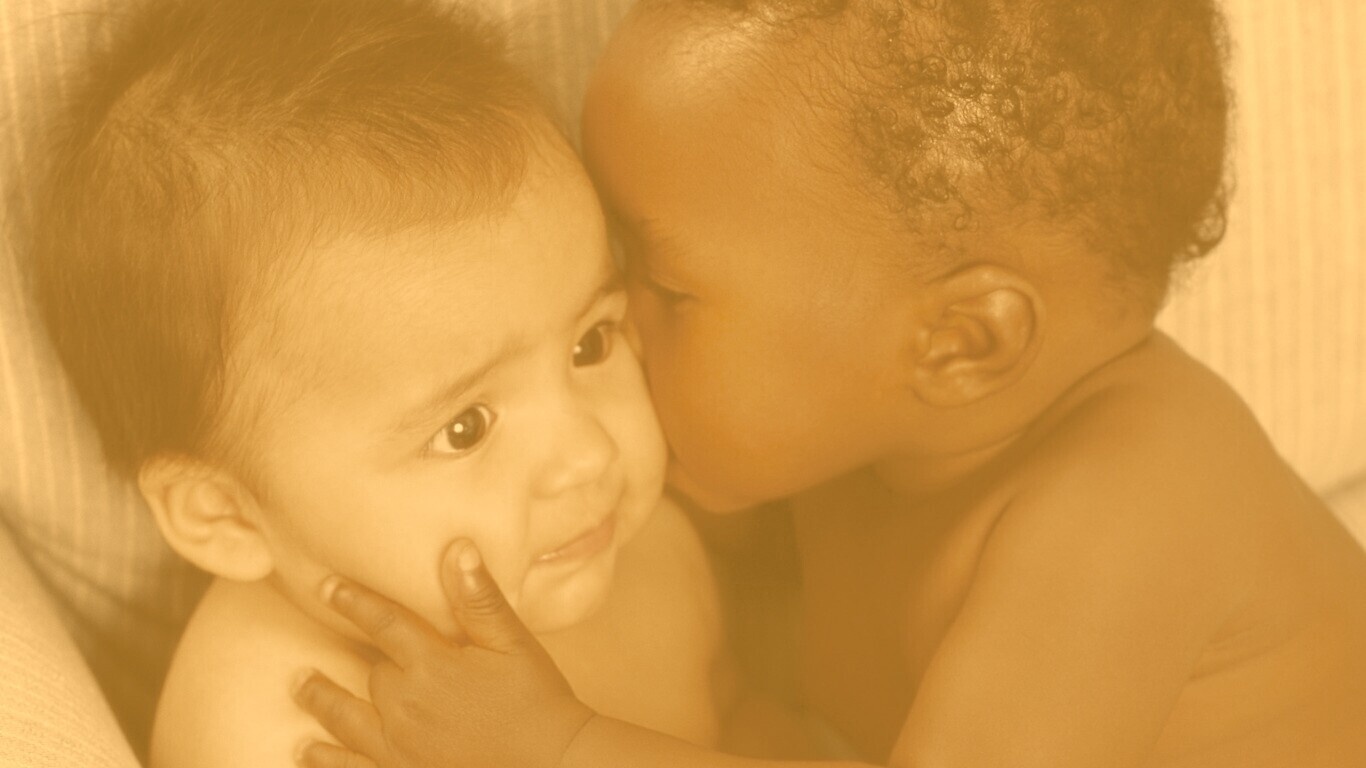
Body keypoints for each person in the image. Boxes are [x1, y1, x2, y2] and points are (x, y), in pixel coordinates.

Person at [291, 0, 1366, 766]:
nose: (613, 319)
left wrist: (555, 745)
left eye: (663, 281)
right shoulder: (853, 433)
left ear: (959, 344)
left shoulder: (1134, 506)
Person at [27, 0, 727, 765]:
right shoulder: (283, 717)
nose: (589, 454)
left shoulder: (645, 548)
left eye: (590, 345)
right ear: (226, 516)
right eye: (465, 428)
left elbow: (743, 720)